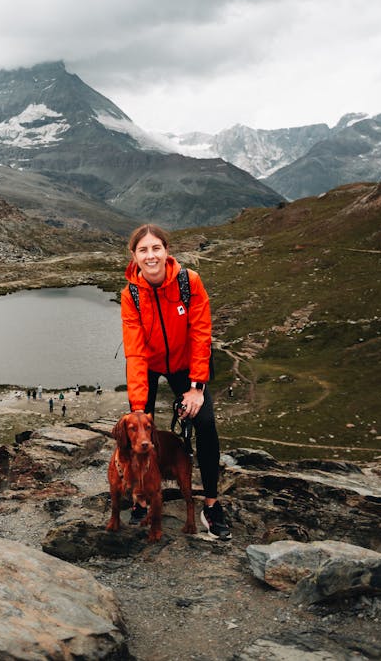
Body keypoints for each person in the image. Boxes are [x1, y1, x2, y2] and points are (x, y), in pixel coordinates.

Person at [120, 223, 231, 540]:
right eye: (143, 250)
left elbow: (200, 334)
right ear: (134, 255)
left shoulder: (189, 282)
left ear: (167, 251)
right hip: (151, 364)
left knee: (206, 424)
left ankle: (211, 504)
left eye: (156, 248)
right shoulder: (131, 296)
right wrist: (139, 409)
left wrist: (196, 387)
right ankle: (141, 496)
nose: (150, 255)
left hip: (185, 364)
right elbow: (135, 352)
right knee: (139, 431)